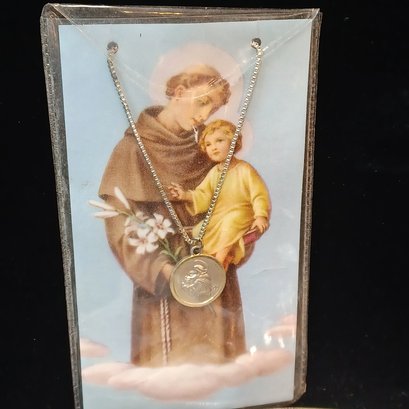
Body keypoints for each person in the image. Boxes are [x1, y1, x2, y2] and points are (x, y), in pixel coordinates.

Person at [98, 65, 248, 367]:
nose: (204, 115)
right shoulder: (131, 150)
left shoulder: (207, 151)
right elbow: (119, 223)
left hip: (213, 272)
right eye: (202, 102)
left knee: (223, 369)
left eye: (213, 109)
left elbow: (234, 202)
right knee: (170, 372)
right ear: (179, 92)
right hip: (163, 286)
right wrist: (162, 268)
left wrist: (231, 241)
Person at [169, 119, 271, 270]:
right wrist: (185, 196)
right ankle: (219, 260)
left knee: (229, 224)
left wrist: (261, 215)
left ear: (233, 142)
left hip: (242, 213)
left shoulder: (244, 169)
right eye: (208, 144)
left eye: (219, 141)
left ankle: (218, 263)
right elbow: (203, 195)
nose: (214, 148)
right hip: (219, 216)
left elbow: (259, 194)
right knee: (199, 230)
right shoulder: (214, 173)